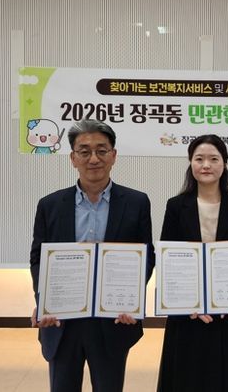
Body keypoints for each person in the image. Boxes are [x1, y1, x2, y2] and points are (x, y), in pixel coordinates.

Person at [29, 119, 154, 392]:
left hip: (113, 320)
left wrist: (131, 300)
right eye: (84, 151)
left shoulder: (137, 202)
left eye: (102, 150)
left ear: (114, 155)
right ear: (73, 158)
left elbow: (146, 256)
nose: (94, 158)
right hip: (62, 321)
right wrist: (45, 300)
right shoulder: (50, 205)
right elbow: (38, 258)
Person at [157, 134, 228, 392]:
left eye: (213, 159)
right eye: (199, 159)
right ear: (190, 163)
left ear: (224, 163)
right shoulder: (176, 206)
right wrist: (188, 303)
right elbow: (169, 258)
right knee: (187, 378)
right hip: (187, 311)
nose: (206, 165)